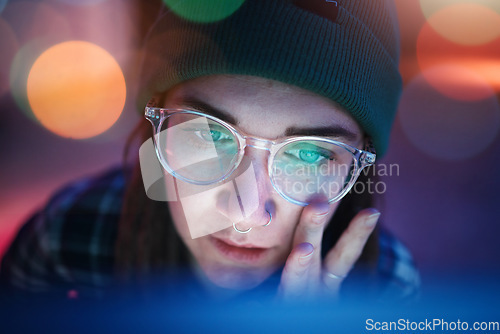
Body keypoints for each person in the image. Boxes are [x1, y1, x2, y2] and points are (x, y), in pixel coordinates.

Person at [0, 0, 419, 302]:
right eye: (210, 135)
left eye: (309, 154)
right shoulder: (69, 240)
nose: (245, 213)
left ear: (359, 166)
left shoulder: (385, 290)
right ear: (154, 133)